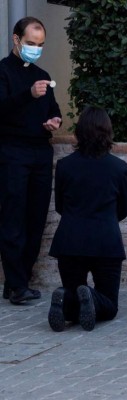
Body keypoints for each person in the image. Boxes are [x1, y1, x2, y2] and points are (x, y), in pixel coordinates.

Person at [47, 106, 127, 332]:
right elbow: (124, 209)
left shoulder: (65, 166)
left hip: (70, 241)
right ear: (108, 132)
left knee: (74, 292)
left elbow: (60, 206)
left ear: (79, 132)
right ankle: (90, 296)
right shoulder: (119, 168)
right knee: (109, 305)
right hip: (106, 242)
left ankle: (66, 302)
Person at [0, 17, 62, 305]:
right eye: (30, 44)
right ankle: (16, 284)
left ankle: (19, 281)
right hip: (12, 151)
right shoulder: (2, 72)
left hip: (40, 152)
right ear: (16, 40)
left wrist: (54, 120)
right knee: (13, 217)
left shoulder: (43, 74)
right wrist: (27, 95)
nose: (35, 49)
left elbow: (54, 108)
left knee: (36, 218)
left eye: (40, 45)